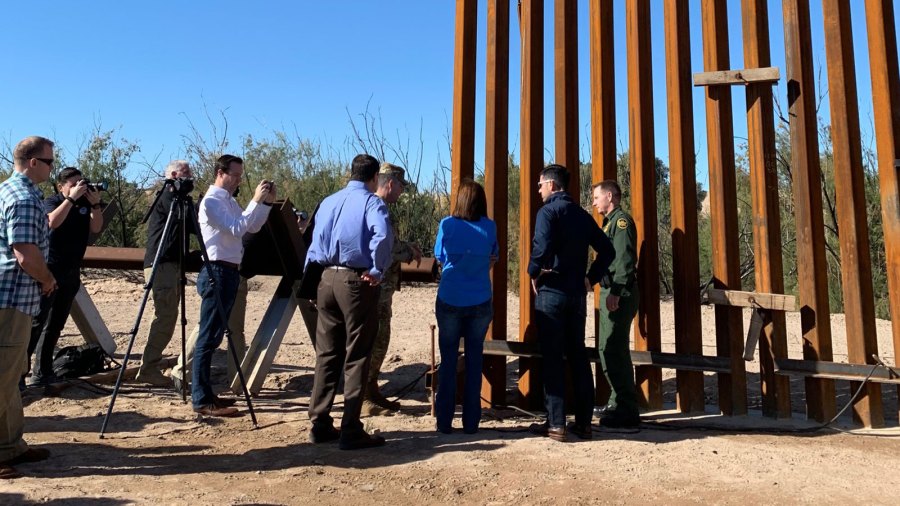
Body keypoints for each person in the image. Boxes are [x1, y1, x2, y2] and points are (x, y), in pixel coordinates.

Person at [304, 153, 392, 450]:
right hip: (356, 282)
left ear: (350, 173)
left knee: (327, 353)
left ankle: (319, 423)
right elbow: (382, 235)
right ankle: (351, 429)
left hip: (325, 279)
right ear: (374, 178)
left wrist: (311, 280)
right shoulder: (372, 202)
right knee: (357, 353)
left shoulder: (328, 201)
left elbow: (313, 242)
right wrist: (377, 270)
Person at [527, 164, 614, 442]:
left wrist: (532, 272)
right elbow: (608, 250)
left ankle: (556, 424)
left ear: (552, 185)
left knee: (552, 357)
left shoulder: (547, 212)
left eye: (540, 184)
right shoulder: (582, 215)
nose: (538, 189)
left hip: (551, 290)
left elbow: (540, 248)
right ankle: (585, 424)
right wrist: (592, 277)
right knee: (577, 356)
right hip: (577, 294)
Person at [191, 155, 274, 417]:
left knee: (213, 337)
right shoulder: (212, 201)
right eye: (235, 175)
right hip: (216, 270)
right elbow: (238, 228)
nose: (238, 179)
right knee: (208, 337)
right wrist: (256, 201)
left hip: (228, 271)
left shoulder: (229, 200)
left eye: (240, 175)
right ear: (220, 173)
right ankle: (201, 399)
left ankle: (207, 394)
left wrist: (266, 204)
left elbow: (253, 226)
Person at [0, 136, 58, 479]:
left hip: (13, 297)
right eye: (49, 162)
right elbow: (24, 252)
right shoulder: (22, 198)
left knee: (10, 374)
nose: (52, 167)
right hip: (11, 297)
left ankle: (11, 445)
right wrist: (47, 278)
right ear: (33, 162)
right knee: (3, 375)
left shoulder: (11, 191)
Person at [25, 167, 103, 387]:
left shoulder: (85, 203)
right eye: (73, 183)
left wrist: (95, 203)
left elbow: (96, 227)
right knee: (37, 323)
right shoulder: (52, 201)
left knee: (56, 324)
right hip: (50, 270)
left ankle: (43, 372)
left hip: (71, 271)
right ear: (61, 186)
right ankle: (20, 374)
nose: (80, 187)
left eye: (82, 183)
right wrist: (70, 199)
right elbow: (52, 222)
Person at [433, 179, 498, 434]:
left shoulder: (447, 224)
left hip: (450, 298)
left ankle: (444, 422)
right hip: (480, 299)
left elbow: (439, 256)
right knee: (474, 360)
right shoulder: (489, 227)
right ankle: (471, 423)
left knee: (448, 361)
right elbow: (494, 256)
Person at [362, 162, 422, 416]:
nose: (401, 192)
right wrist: (408, 251)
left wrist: (404, 245)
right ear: (389, 183)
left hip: (380, 290)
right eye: (400, 186)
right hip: (374, 290)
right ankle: (365, 398)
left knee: (378, 339)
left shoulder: (377, 208)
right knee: (375, 341)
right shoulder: (376, 208)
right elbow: (385, 247)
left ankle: (372, 390)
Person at [135, 160, 198, 385]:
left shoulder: (178, 200)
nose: (190, 177)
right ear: (173, 175)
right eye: (186, 173)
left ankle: (149, 366)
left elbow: (192, 225)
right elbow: (189, 223)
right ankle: (148, 368)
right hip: (163, 264)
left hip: (170, 264)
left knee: (167, 316)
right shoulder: (168, 198)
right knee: (165, 316)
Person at [591, 180, 640, 428]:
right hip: (610, 289)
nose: (594, 202)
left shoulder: (621, 223)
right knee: (607, 347)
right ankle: (616, 402)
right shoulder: (609, 223)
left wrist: (617, 292)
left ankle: (626, 408)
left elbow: (624, 260)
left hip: (618, 292)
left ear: (610, 196)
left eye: (597, 197)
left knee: (613, 349)